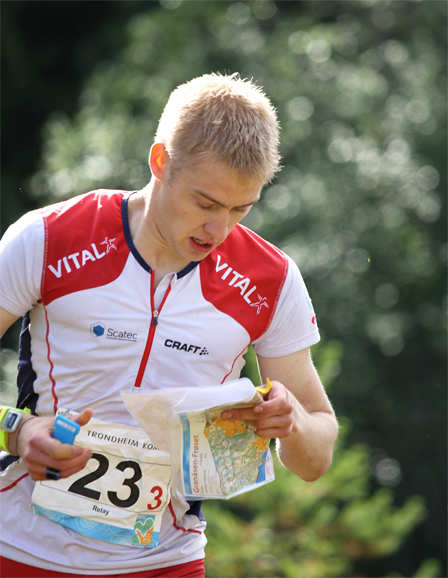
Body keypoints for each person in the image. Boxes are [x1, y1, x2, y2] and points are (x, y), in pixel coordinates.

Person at [0, 73, 338, 577]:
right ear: (160, 162)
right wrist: (16, 429)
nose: (218, 230)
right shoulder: (50, 238)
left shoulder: (271, 279)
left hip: (166, 561)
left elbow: (317, 455)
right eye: (205, 203)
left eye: (241, 209)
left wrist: (291, 424)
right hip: (21, 549)